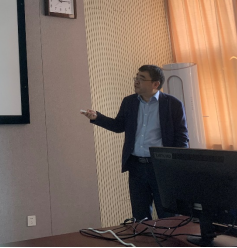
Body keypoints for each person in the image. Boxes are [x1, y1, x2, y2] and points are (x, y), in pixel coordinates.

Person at [81, 65, 189, 221]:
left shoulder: (173, 104)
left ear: (155, 84)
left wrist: (177, 166)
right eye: (136, 78)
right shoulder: (129, 102)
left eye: (141, 78)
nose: (136, 81)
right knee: (140, 216)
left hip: (162, 167)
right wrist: (97, 118)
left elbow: (182, 138)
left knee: (168, 216)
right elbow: (118, 126)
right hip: (136, 167)